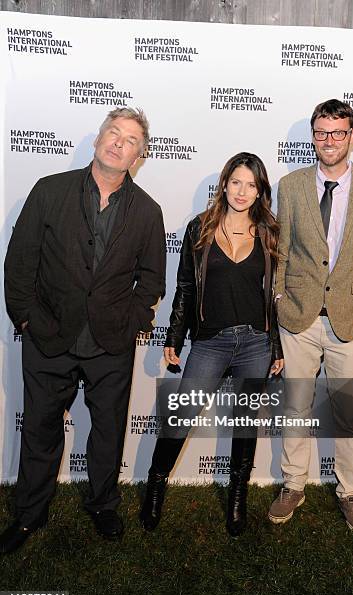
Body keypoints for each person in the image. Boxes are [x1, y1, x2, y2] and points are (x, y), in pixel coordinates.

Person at [1, 107, 166, 553]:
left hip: (110, 343)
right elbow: (19, 263)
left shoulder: (148, 212)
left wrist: (133, 321)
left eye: (130, 139)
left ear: (140, 155)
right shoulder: (49, 191)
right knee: (38, 429)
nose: (118, 142)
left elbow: (151, 280)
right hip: (48, 336)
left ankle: (103, 504)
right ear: (97, 140)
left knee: (109, 430)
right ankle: (29, 514)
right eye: (113, 133)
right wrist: (27, 319)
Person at [268, 99, 353, 534]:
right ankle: (293, 485)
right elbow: (281, 253)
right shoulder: (290, 186)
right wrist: (280, 301)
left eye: (338, 132)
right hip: (299, 321)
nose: (330, 141)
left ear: (352, 136)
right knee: (295, 408)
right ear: (313, 136)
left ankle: (349, 492)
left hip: (350, 322)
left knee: (350, 413)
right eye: (322, 133)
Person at [139, 152, 283, 536]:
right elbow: (185, 287)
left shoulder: (270, 231)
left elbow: (272, 297)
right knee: (180, 418)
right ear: (223, 184)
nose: (242, 191)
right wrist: (174, 335)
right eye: (236, 181)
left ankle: (237, 498)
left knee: (245, 424)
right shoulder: (198, 228)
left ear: (260, 191)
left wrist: (277, 347)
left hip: (255, 344)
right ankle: (156, 483)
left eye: (251, 185)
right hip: (210, 343)